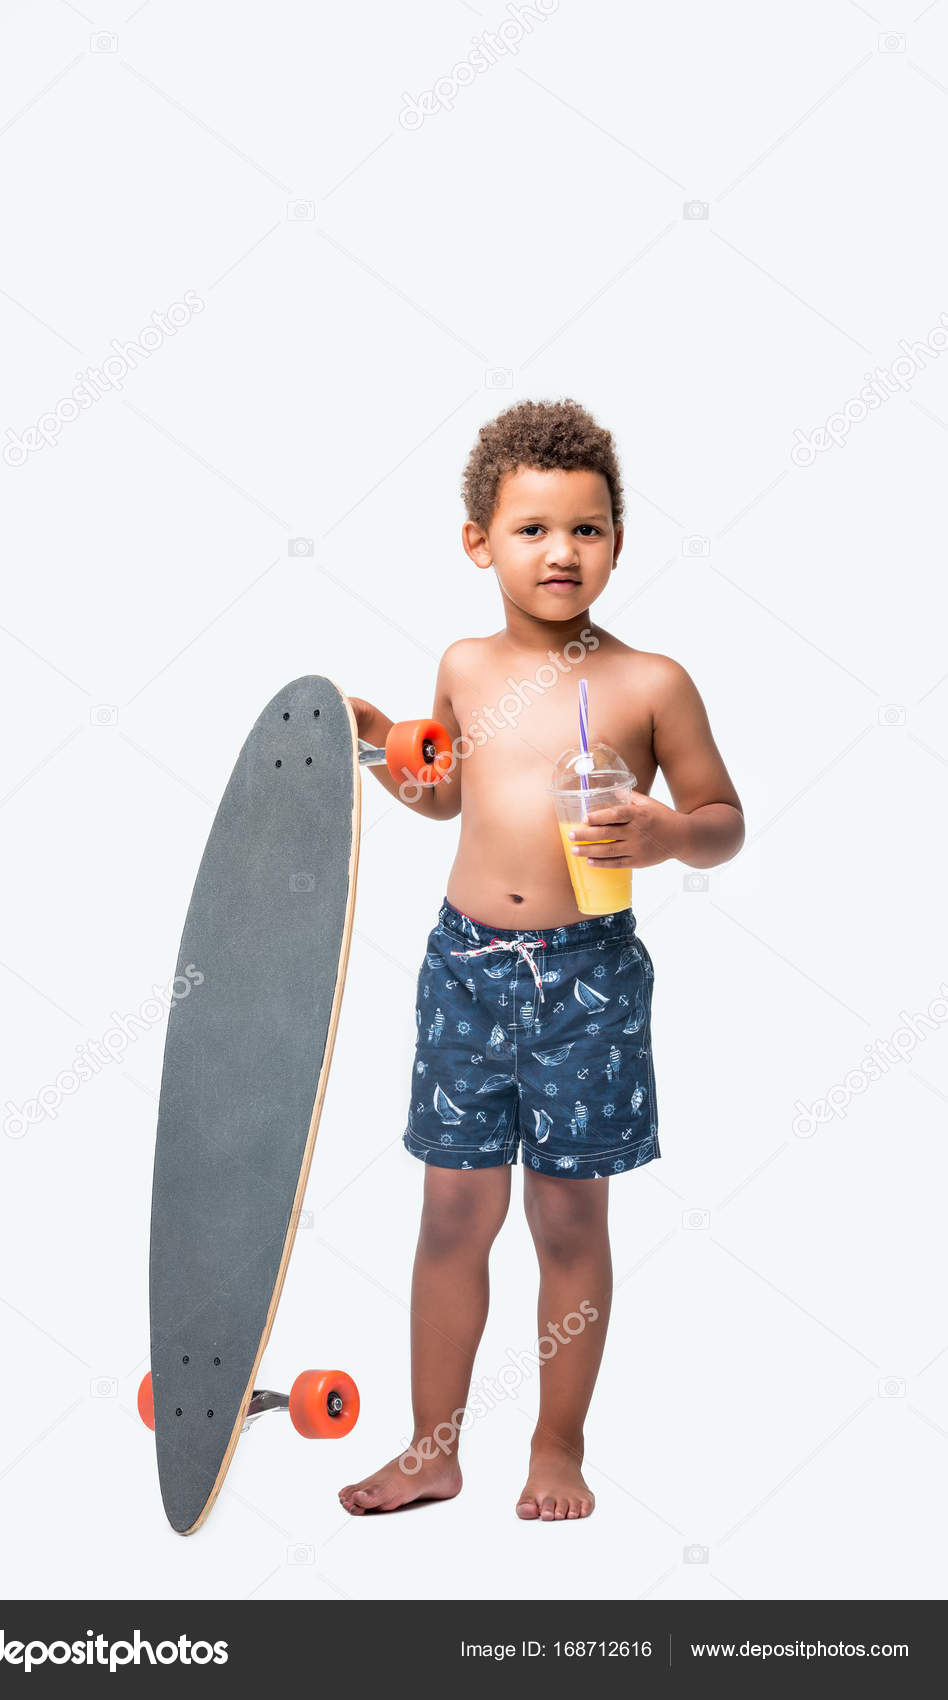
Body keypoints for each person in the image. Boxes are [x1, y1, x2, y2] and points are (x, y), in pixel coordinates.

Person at [339, 398, 744, 1521]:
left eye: (588, 527)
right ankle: (431, 1446)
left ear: (618, 539)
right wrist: (382, 745)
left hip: (589, 975)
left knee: (569, 1221)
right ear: (480, 541)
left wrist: (669, 832)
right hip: (464, 966)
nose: (562, 550)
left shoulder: (649, 682)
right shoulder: (464, 665)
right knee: (453, 1218)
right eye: (532, 528)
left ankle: (556, 1447)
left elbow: (722, 816)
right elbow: (440, 799)